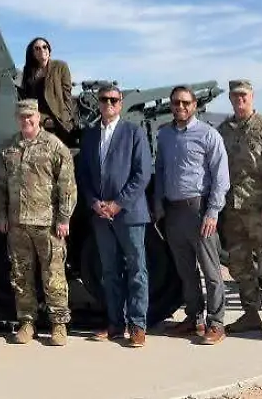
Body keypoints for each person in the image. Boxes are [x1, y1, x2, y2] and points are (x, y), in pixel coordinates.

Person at [0, 98, 76, 346]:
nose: (26, 120)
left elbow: (67, 185)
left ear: (38, 117)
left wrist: (64, 218)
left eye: (30, 116)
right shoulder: (8, 149)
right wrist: (1, 215)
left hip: (48, 225)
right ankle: (27, 322)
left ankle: (58, 324)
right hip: (17, 225)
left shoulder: (54, 146)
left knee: (54, 275)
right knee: (20, 276)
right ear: (17, 119)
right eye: (22, 116)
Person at [75, 83, 152, 347]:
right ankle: (115, 324)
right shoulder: (90, 136)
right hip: (100, 215)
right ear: (98, 103)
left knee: (137, 270)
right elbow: (84, 175)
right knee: (109, 271)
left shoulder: (133, 132)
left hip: (129, 213)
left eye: (113, 100)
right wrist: (94, 202)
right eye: (104, 99)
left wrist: (118, 203)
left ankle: (138, 325)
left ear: (120, 104)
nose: (108, 104)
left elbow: (142, 173)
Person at [216, 79, 262, 339]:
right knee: (239, 265)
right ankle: (251, 314)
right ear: (230, 98)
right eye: (235, 96)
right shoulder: (224, 131)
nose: (240, 100)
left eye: (244, 95)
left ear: (252, 96)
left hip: (261, 211)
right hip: (233, 211)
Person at [154, 86, 230, 345]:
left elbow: (221, 177)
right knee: (185, 270)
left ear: (194, 105)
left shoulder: (208, 134)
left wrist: (213, 211)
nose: (181, 107)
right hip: (173, 211)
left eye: (186, 103)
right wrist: (158, 203)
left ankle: (216, 323)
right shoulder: (164, 135)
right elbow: (161, 170)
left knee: (211, 271)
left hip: (199, 210)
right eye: (176, 102)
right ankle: (194, 318)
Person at [18, 37, 78, 145]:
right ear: (32, 53)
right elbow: (27, 97)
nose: (42, 50)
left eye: (44, 47)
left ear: (49, 50)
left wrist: (66, 116)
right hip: (39, 119)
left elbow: (67, 94)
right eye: (37, 48)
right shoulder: (28, 71)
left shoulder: (60, 66)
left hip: (59, 118)